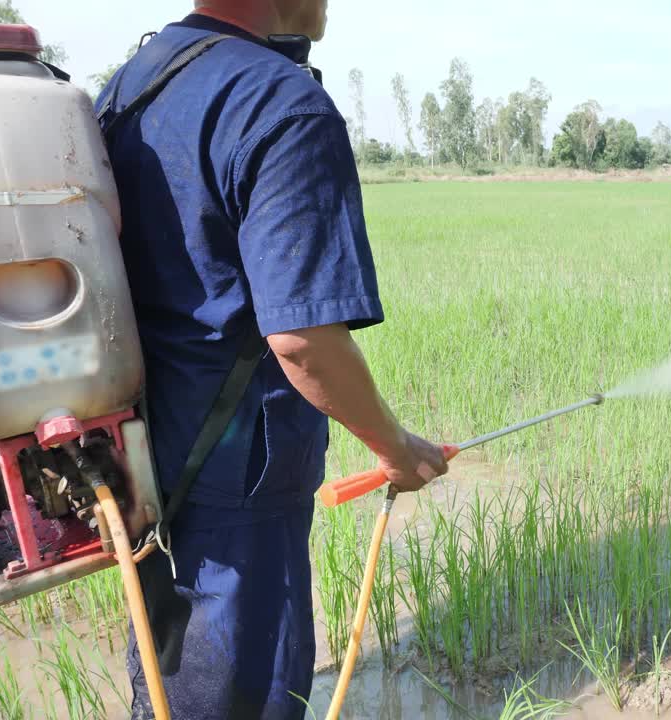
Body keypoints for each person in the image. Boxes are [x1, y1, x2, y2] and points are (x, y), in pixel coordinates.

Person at [95, 2, 448, 718]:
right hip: (237, 488)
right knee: (242, 697)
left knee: (169, 687)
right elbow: (303, 338)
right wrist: (394, 448)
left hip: (135, 466)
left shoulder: (132, 83)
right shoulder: (281, 102)